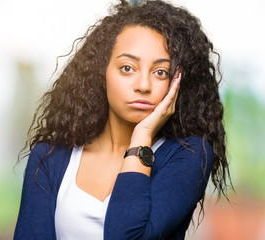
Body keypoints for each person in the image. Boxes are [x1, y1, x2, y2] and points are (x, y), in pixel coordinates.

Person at [14, 0, 231, 239]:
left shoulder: (189, 156)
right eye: (128, 68)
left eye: (161, 72)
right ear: (102, 72)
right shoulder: (50, 158)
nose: (143, 85)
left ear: (176, 83)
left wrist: (141, 138)